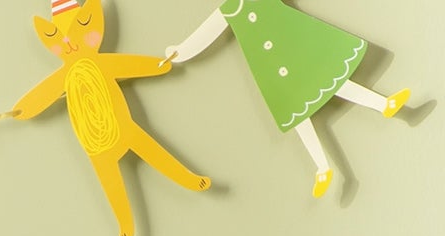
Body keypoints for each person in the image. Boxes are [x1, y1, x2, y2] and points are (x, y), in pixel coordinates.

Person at [166, 1, 411, 199]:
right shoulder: (228, 10)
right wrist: (180, 51)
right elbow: (204, 34)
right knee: (297, 112)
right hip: (271, 67)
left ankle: (384, 105)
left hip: (293, 46)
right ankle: (322, 167)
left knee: (329, 79)